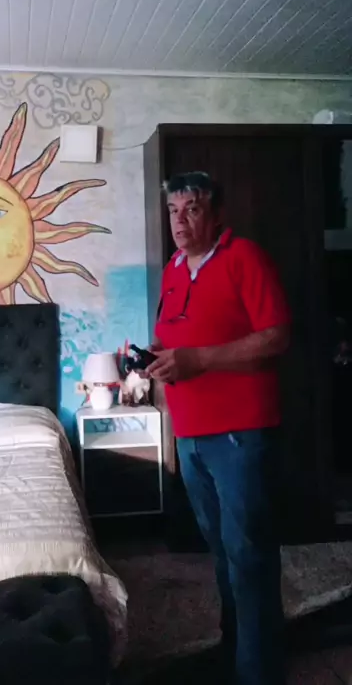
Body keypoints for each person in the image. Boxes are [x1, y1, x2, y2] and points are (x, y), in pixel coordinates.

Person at [147, 171, 291, 685]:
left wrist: (200, 359)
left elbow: (276, 336)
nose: (180, 221)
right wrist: (157, 359)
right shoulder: (173, 269)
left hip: (240, 432)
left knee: (249, 552)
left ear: (217, 214)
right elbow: (177, 339)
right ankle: (238, 652)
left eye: (192, 209)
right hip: (190, 434)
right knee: (223, 551)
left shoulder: (243, 257)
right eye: (173, 211)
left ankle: (259, 671)